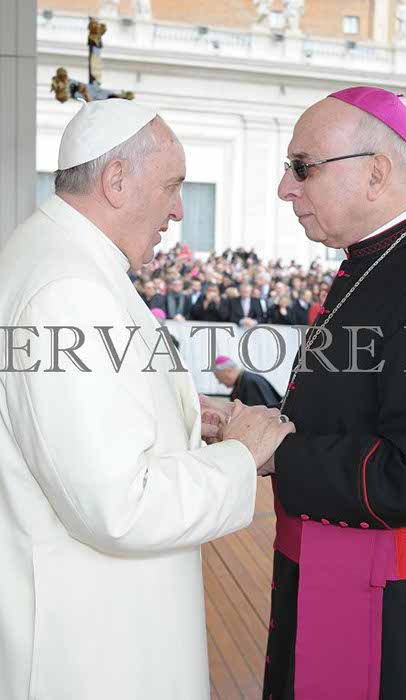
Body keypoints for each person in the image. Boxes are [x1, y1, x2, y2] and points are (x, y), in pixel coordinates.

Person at [0, 99, 295, 700]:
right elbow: (117, 506)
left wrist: (184, 418)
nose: (179, 210)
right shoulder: (68, 290)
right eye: (172, 186)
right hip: (93, 650)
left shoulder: (62, 258)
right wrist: (240, 456)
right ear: (115, 181)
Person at [261, 86, 406, 700]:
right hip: (333, 564)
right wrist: (265, 425)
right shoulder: (374, 260)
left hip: (389, 603)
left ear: (376, 172)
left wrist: (278, 453)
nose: (286, 188)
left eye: (303, 168)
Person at [214, 356, 282, 407]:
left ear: (228, 370)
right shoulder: (240, 382)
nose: (220, 382)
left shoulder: (250, 382)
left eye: (219, 378)